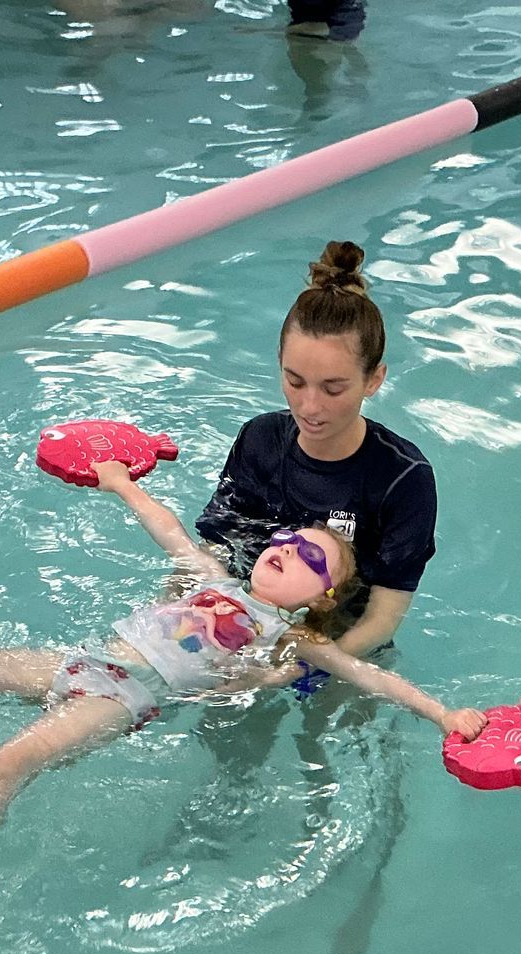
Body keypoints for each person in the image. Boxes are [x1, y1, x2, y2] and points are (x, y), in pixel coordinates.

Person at [0, 460, 484, 936]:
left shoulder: (294, 643)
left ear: (323, 595)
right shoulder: (212, 580)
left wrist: (447, 716)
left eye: (310, 555)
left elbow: (373, 675)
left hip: (126, 696)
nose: (285, 549)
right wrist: (117, 483)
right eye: (285, 540)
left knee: (7, 764)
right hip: (79, 663)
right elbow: (168, 528)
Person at [196, 240, 435, 677]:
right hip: (243, 620)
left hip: (344, 646)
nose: (309, 406)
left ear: (373, 380)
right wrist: (178, 610)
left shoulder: (403, 480)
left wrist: (289, 668)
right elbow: (215, 550)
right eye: (294, 380)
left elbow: (381, 620)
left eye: (332, 388)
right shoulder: (260, 440)